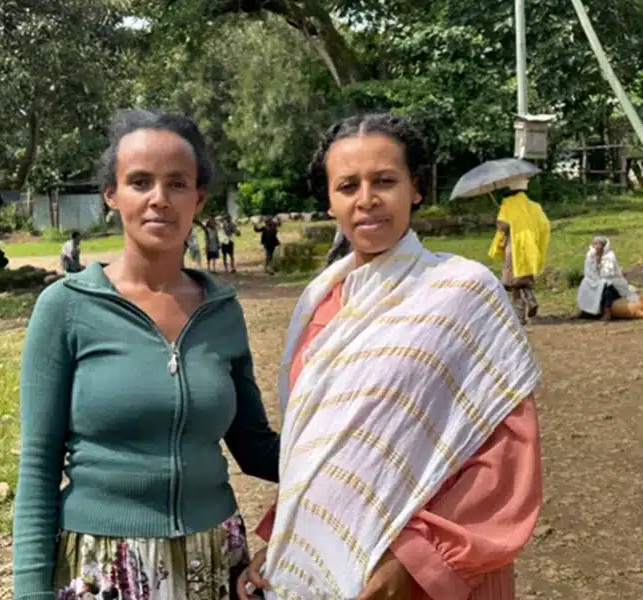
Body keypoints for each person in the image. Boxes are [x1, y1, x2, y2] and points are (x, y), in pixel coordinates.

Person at [237, 114, 542, 600]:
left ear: (415, 188)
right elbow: (318, 450)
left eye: (384, 181)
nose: (366, 200)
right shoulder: (318, 304)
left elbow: (505, 454)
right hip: (327, 566)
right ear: (330, 200)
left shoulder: (462, 294)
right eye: (347, 186)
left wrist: (415, 563)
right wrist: (283, 540)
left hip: (424, 576)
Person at [14, 110, 280, 600]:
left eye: (177, 183)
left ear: (198, 198)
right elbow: (39, 464)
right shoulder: (66, 308)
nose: (159, 198)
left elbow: (256, 447)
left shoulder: (222, 311)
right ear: (111, 195)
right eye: (140, 182)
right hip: (102, 567)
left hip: (213, 559)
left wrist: (347, 460)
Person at [488, 182, 551, 324]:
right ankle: (530, 298)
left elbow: (503, 226)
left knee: (512, 283)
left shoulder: (508, 204)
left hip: (514, 247)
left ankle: (519, 316)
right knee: (525, 277)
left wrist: (498, 220)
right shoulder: (534, 206)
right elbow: (544, 224)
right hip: (530, 247)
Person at [576, 236, 639, 322]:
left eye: (596, 244)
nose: (594, 246)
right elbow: (588, 271)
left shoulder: (610, 256)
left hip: (613, 282)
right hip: (595, 280)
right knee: (585, 283)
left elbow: (608, 274)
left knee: (606, 286)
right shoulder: (590, 255)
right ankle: (584, 311)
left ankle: (607, 312)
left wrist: (599, 260)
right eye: (593, 244)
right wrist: (594, 276)